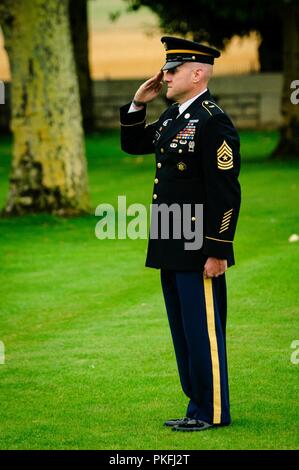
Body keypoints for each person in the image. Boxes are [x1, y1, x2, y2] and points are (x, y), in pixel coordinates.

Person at [120, 36, 241, 432]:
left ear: (198, 73)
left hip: (198, 246)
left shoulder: (212, 120)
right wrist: (139, 103)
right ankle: (196, 406)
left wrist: (218, 250)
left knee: (203, 331)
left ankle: (213, 412)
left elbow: (225, 191)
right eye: (166, 69)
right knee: (184, 332)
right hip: (170, 242)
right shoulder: (175, 117)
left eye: (172, 70)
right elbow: (134, 143)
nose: (165, 76)